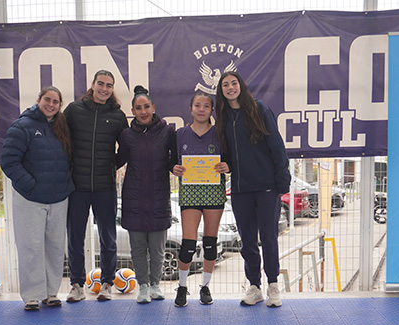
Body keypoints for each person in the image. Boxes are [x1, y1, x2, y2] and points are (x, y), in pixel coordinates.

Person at [215, 71, 291, 307]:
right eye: (225, 85)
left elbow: (276, 145)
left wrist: (282, 179)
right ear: (221, 90)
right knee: (247, 242)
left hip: (266, 187)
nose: (230, 88)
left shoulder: (259, 109)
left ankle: (273, 286)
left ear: (241, 85)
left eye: (234, 83)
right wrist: (226, 165)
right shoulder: (223, 117)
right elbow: (227, 153)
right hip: (240, 189)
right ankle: (255, 287)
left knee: (268, 238)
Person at [1, 86, 74, 311]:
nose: (51, 104)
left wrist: (65, 184)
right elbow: (9, 161)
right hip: (30, 199)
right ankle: (32, 295)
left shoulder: (62, 127)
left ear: (60, 105)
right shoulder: (22, 126)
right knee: (31, 247)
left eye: (55, 102)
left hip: (58, 199)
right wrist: (30, 185)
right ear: (39, 100)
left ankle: (51, 293)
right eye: (47, 100)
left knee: (55, 248)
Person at [64, 70, 129, 302]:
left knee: (108, 238)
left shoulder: (118, 115)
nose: (104, 88)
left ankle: (107, 284)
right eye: (100, 84)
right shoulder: (74, 110)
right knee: (75, 238)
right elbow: (62, 139)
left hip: (105, 187)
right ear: (92, 85)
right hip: (77, 187)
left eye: (109, 85)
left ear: (112, 89)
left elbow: (126, 148)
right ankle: (76, 285)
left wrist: (111, 165)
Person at [117, 85, 176, 304]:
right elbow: (118, 160)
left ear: (153, 107)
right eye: (138, 108)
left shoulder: (167, 132)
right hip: (133, 199)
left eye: (146, 107)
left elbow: (174, 162)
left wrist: (177, 167)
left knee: (158, 249)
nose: (143, 111)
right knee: (138, 248)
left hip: (159, 198)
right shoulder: (126, 135)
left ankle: (155, 285)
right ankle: (142, 286)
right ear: (132, 111)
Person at [171, 92, 229, 307]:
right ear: (191, 109)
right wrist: (174, 168)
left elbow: (230, 160)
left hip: (214, 191)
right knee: (188, 243)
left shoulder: (220, 134)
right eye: (197, 105)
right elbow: (171, 161)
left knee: (210, 243)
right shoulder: (180, 134)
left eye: (206, 106)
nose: (201, 109)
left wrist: (227, 166)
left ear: (212, 110)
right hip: (190, 192)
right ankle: (182, 286)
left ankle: (205, 286)